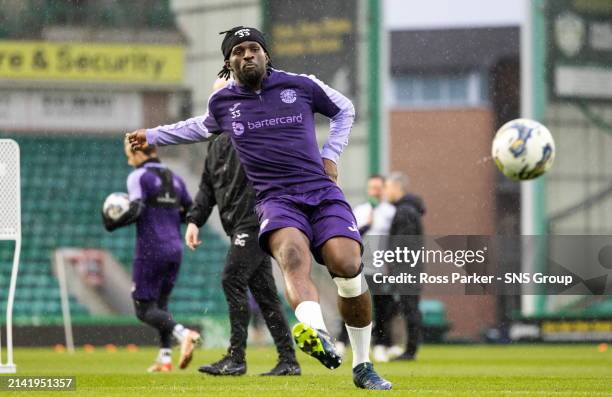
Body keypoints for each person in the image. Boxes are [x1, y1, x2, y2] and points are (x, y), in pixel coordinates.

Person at [127, 26, 391, 389]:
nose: (246, 55)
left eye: (253, 48)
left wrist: (331, 155)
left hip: (321, 192)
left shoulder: (300, 85)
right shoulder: (223, 104)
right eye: (238, 51)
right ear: (228, 62)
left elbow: (344, 109)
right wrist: (153, 135)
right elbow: (198, 128)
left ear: (266, 55)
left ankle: (362, 365)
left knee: (346, 267)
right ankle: (317, 334)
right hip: (276, 200)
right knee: (293, 259)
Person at [185, 130, 300, 376]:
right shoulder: (215, 145)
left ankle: (236, 357)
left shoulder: (252, 133)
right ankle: (288, 360)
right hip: (237, 224)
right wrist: (194, 220)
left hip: (254, 221)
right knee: (265, 295)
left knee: (232, 279)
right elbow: (207, 187)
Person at [103, 139, 200, 372]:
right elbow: (190, 209)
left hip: (150, 250)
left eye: (129, 155)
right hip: (174, 248)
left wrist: (112, 222)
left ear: (137, 153)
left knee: (144, 309)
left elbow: (136, 208)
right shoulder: (175, 178)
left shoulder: (139, 176)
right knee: (162, 306)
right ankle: (165, 358)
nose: (129, 160)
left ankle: (183, 333)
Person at [351, 175, 398, 362]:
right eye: (372, 188)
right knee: (357, 305)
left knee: (383, 307)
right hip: (362, 266)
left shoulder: (391, 212)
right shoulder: (359, 210)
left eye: (379, 188)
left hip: (383, 267)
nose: (375, 191)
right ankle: (349, 344)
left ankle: (380, 344)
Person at [384, 171, 426, 361]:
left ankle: (410, 351)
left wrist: (394, 264)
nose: (385, 191)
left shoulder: (405, 211)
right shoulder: (409, 209)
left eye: (387, 187)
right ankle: (406, 348)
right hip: (411, 267)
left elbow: (403, 243)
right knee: (408, 308)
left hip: (407, 268)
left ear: (396, 187)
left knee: (409, 308)